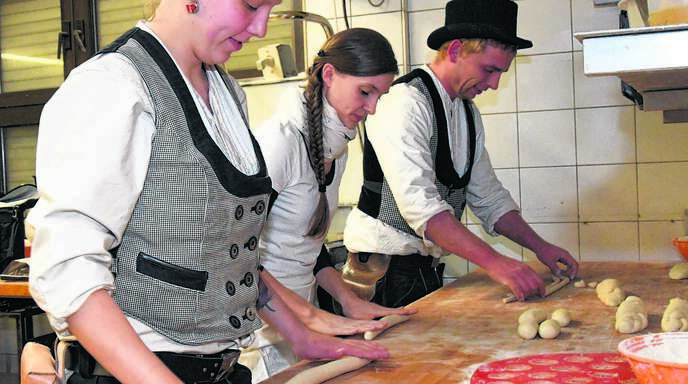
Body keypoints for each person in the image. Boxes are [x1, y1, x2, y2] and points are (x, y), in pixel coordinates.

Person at [26, 1, 391, 383]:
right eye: (251, 6)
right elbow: (67, 270)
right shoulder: (112, 86)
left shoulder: (228, 93)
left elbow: (231, 255)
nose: (261, 29)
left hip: (221, 369)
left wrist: (301, 337)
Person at [342, 0, 579, 309]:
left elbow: (489, 197)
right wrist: (496, 263)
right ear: (454, 50)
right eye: (489, 70)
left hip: (421, 269)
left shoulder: (467, 112)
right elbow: (422, 208)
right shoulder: (404, 103)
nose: (494, 84)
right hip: (383, 274)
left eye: (500, 74)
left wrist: (540, 247)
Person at [241, 28, 416, 381]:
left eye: (379, 96)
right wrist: (308, 318)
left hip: (304, 310)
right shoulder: (281, 142)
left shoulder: (337, 149)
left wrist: (348, 300)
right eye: (365, 92)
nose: (372, 108)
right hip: (261, 322)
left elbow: (310, 243)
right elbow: (236, 251)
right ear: (330, 75)